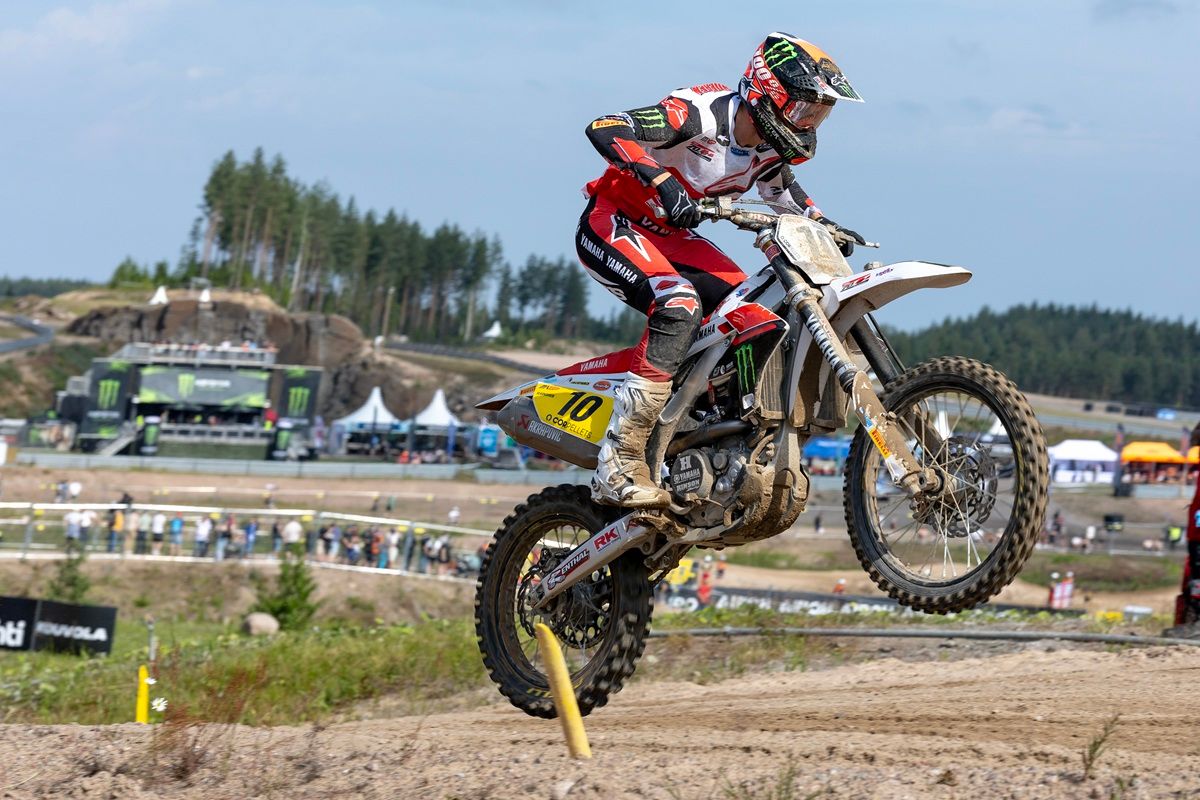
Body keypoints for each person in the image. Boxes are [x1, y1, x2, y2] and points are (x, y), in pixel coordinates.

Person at [577, 33, 864, 507]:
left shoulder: (770, 147)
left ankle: (706, 431)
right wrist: (661, 179)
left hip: (674, 238)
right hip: (614, 221)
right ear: (768, 92)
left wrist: (825, 225)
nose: (810, 123)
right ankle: (618, 460)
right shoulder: (701, 114)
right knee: (679, 304)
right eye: (804, 110)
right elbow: (606, 127)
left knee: (753, 313)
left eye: (819, 114)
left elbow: (782, 193)